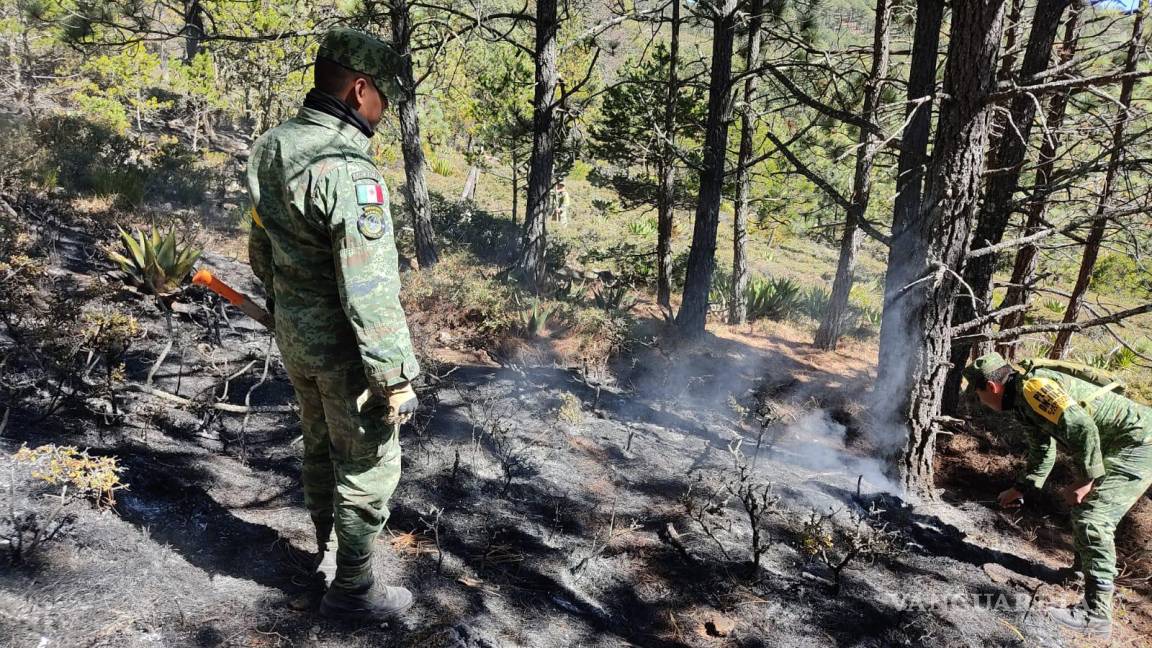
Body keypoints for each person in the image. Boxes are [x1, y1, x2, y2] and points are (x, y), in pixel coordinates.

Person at [245, 27, 420, 622]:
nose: (386, 110)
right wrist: (393, 373)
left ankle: (326, 555)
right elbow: (368, 287)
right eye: (383, 98)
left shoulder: (272, 146)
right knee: (368, 464)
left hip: (297, 339)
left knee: (319, 447)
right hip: (346, 351)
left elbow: (259, 244)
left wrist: (282, 310)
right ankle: (352, 591)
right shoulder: (347, 169)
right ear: (359, 89)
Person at [965, 352, 1152, 639]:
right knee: (1087, 510)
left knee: (1093, 517)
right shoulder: (1021, 400)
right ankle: (1082, 574)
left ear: (992, 387)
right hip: (1118, 444)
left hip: (1140, 442)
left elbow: (1083, 427)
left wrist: (1086, 479)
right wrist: (1021, 488)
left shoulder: (1034, 389)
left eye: (979, 396)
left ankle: (1096, 614)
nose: (982, 404)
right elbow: (1042, 449)